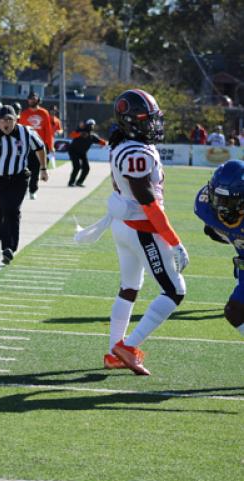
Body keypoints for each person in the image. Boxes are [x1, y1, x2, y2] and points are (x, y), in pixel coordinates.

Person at [106, 89, 189, 375]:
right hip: (142, 228)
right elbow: (148, 202)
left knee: (129, 288)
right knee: (175, 290)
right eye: (145, 119)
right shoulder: (136, 152)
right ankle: (128, 346)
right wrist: (173, 240)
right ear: (130, 121)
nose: (152, 125)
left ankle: (113, 350)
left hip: (124, 226)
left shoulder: (125, 144)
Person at [0, 105, 47, 264]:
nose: (6, 123)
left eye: (10, 120)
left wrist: (43, 168)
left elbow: (40, 148)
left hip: (17, 179)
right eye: (3, 120)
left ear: (16, 120)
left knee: (11, 210)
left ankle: (8, 248)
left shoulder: (26, 132)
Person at [194, 160, 244, 337]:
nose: (220, 205)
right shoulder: (205, 207)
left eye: (227, 201)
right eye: (217, 198)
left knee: (235, 311)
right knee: (234, 313)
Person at [18, 91, 53, 199]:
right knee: (24, 169)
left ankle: (33, 190)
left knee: (36, 170)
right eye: (30, 98)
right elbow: (20, 131)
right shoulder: (24, 114)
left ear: (38, 100)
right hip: (27, 146)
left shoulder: (44, 113)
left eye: (34, 98)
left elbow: (48, 130)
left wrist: (49, 146)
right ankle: (22, 189)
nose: (31, 100)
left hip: (39, 146)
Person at [67, 118, 106, 187]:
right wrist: (80, 134)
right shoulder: (80, 131)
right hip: (73, 151)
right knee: (77, 167)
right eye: (90, 125)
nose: (91, 127)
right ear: (86, 125)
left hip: (82, 153)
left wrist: (103, 144)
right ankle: (71, 182)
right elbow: (71, 135)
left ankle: (79, 182)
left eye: (92, 125)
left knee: (86, 168)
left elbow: (102, 142)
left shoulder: (92, 136)